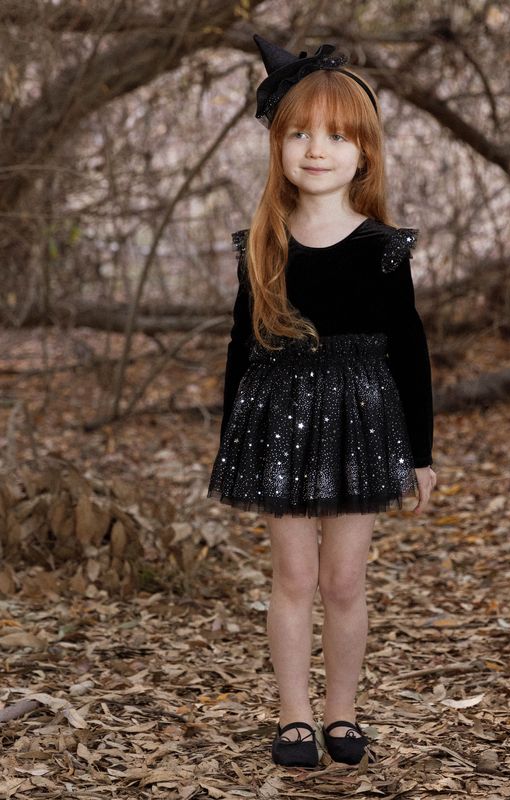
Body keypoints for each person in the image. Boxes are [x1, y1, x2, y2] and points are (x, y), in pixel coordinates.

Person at [206, 33, 437, 769]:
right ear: (277, 146)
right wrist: (226, 440)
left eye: (336, 136)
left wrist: (423, 456)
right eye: (299, 133)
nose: (316, 149)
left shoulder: (382, 247)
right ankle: (294, 715)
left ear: (362, 152)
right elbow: (241, 352)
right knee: (294, 577)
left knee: (343, 579)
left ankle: (342, 711)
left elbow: (410, 349)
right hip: (278, 419)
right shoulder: (263, 246)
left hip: (363, 422)